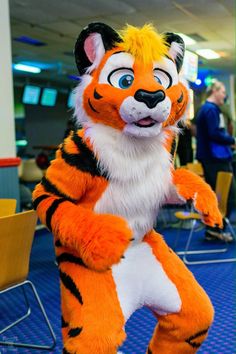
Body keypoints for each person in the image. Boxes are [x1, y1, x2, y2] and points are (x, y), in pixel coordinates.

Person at [196, 80, 236, 242]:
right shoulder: (210, 110)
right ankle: (215, 229)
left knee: (219, 195)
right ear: (215, 91)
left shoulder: (207, 109)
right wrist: (232, 140)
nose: (224, 96)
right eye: (223, 92)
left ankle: (213, 229)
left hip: (213, 158)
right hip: (215, 159)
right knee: (226, 196)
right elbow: (214, 134)